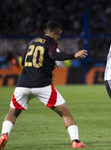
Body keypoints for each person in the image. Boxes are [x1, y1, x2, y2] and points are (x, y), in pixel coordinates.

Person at [0, 20, 87, 149]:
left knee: (12, 113)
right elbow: (54, 55)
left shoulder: (33, 41)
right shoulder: (52, 42)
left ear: (45, 31)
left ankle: (4, 135)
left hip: (23, 84)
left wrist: (49, 64)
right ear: (60, 32)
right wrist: (74, 55)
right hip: (42, 85)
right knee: (65, 113)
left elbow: (24, 61)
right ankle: (75, 141)